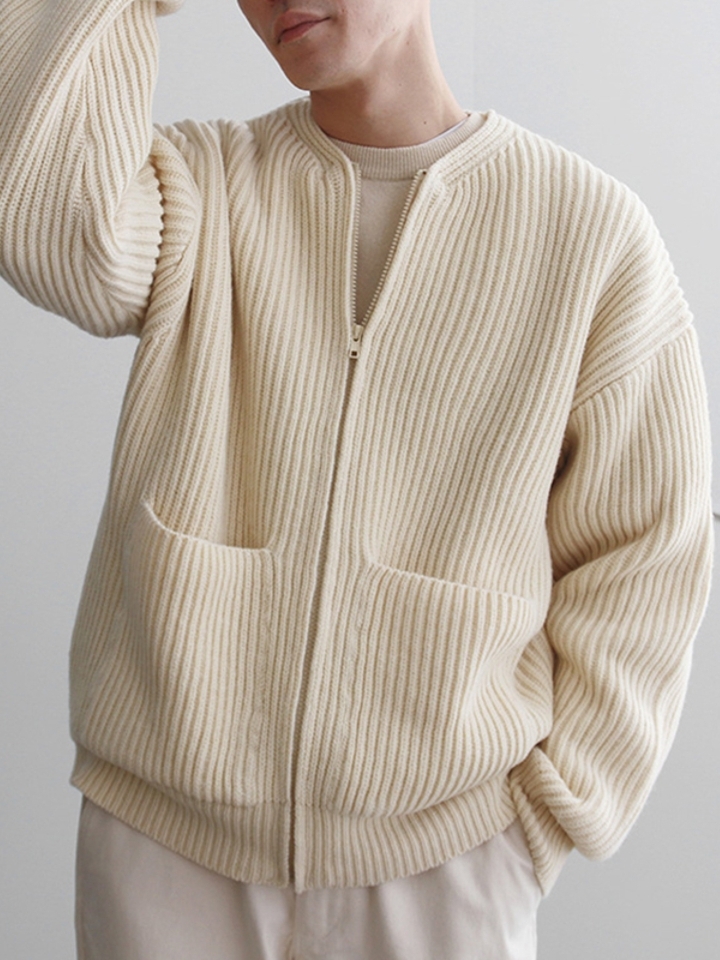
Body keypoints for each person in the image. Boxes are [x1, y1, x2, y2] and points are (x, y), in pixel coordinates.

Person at [0, 1, 713, 958]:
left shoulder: (591, 239)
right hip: (163, 851)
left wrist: (546, 820)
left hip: (444, 860)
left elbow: (649, 549)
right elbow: (46, 227)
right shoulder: (199, 190)